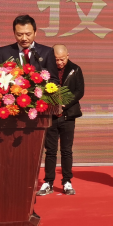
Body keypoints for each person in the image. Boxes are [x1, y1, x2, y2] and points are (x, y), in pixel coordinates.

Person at [37, 44, 85, 197]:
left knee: (66, 150)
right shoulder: (45, 71)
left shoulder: (75, 69)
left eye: (62, 59)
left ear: (67, 56)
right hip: (50, 116)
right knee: (50, 151)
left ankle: (67, 181)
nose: (59, 62)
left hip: (68, 115)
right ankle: (48, 182)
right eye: (56, 59)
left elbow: (79, 91)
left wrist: (65, 103)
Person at [0, 14, 58, 83]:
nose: (24, 38)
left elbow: (54, 79)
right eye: (19, 35)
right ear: (14, 33)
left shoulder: (47, 52)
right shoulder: (3, 52)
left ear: (35, 33)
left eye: (28, 34)